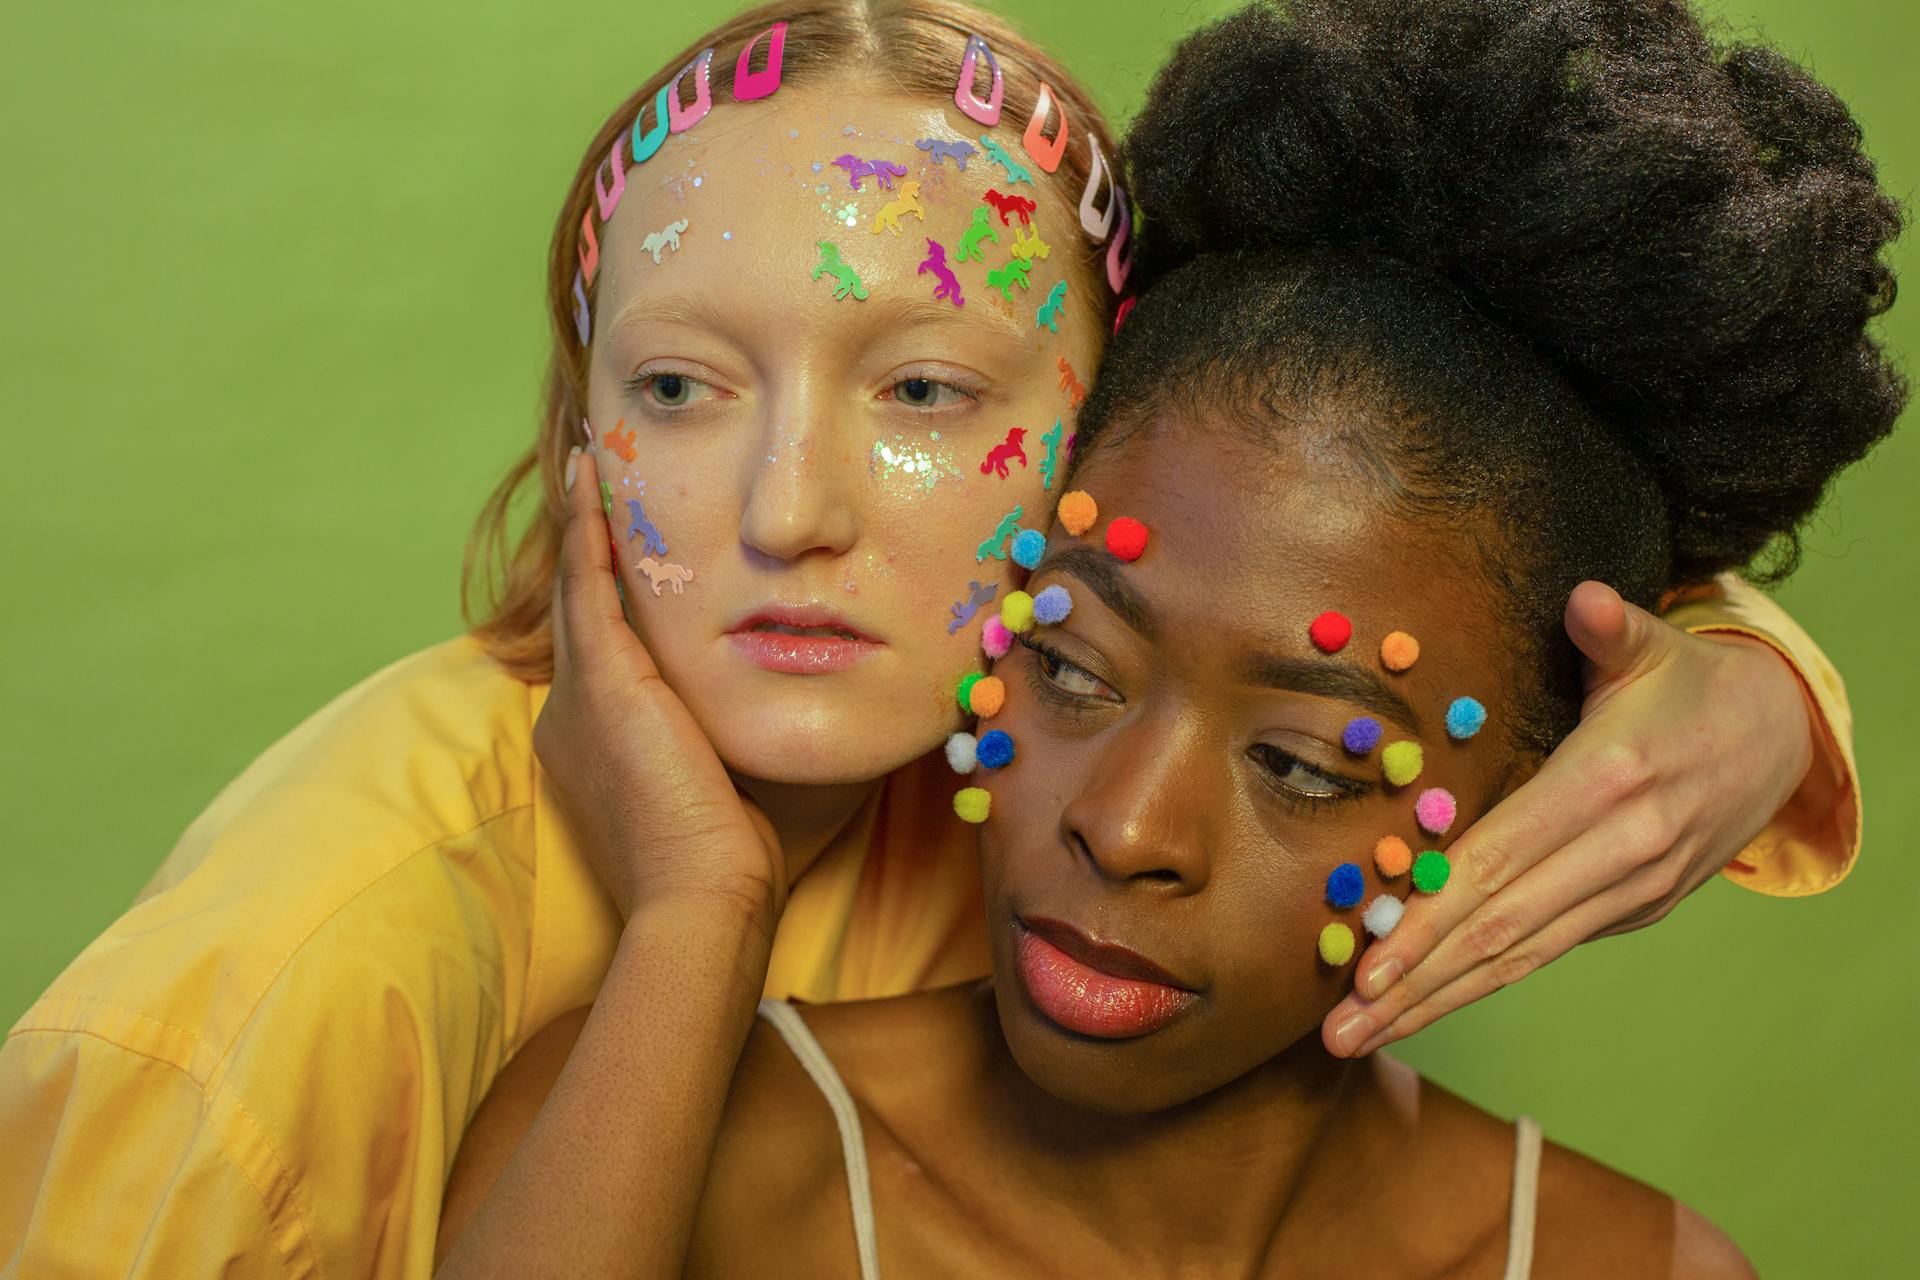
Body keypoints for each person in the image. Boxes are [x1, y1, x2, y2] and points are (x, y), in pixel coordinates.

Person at [0, 0, 1872, 1273]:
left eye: (919, 387)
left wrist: (1759, 684)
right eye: (675, 382)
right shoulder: (301, 973)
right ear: (581, 434)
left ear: (1091, 428)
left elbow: (1369, 523)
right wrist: (689, 919)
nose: (793, 508)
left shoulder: (978, 737)